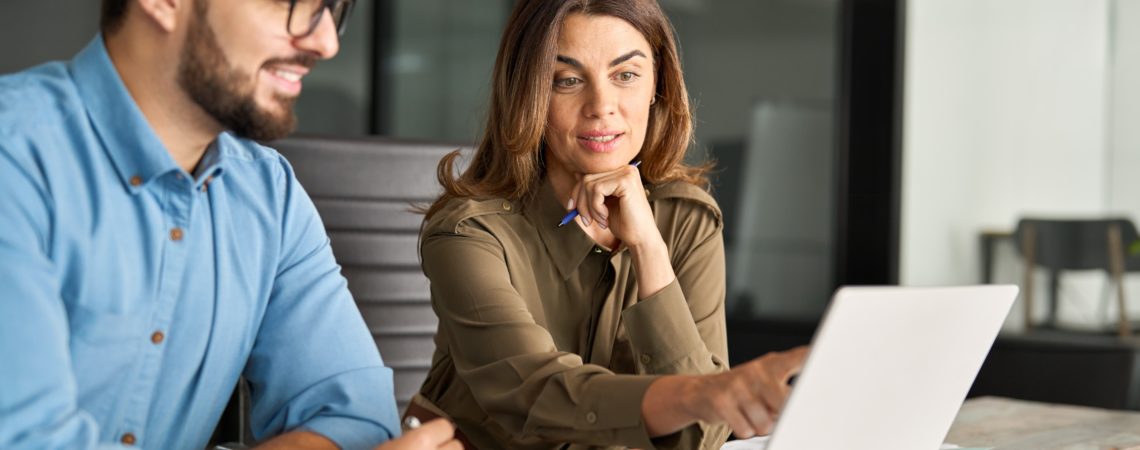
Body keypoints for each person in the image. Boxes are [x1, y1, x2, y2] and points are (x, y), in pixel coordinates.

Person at [0, 1, 458, 449]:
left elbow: (354, 419)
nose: (326, 42)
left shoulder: (267, 193)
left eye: (332, 10)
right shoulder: (15, 157)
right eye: (292, 4)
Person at [408, 0, 809, 448]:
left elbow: (702, 436)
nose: (601, 106)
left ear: (658, 85)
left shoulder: (687, 219)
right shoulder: (468, 235)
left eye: (626, 75)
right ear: (528, 94)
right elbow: (536, 394)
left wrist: (648, 247)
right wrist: (701, 395)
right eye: (568, 80)